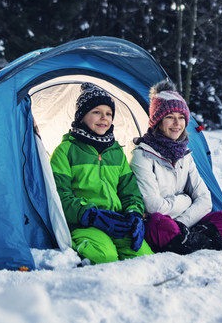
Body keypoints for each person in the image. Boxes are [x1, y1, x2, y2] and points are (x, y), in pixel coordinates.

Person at [130, 80, 222, 255]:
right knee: (159, 222)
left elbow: (205, 199)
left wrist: (182, 224)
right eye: (170, 117)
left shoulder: (185, 155)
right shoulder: (142, 155)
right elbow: (154, 207)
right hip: (160, 225)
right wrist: (186, 200)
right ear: (157, 122)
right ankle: (216, 245)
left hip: (182, 224)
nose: (177, 123)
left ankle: (188, 240)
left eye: (181, 117)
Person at [50, 83, 154, 264]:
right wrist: (92, 215)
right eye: (96, 112)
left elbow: (130, 191)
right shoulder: (65, 151)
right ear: (82, 116)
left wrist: (134, 214)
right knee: (105, 257)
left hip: (117, 222)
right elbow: (60, 197)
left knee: (145, 259)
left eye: (108, 114)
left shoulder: (116, 152)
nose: (103, 118)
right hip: (84, 223)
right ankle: (76, 250)